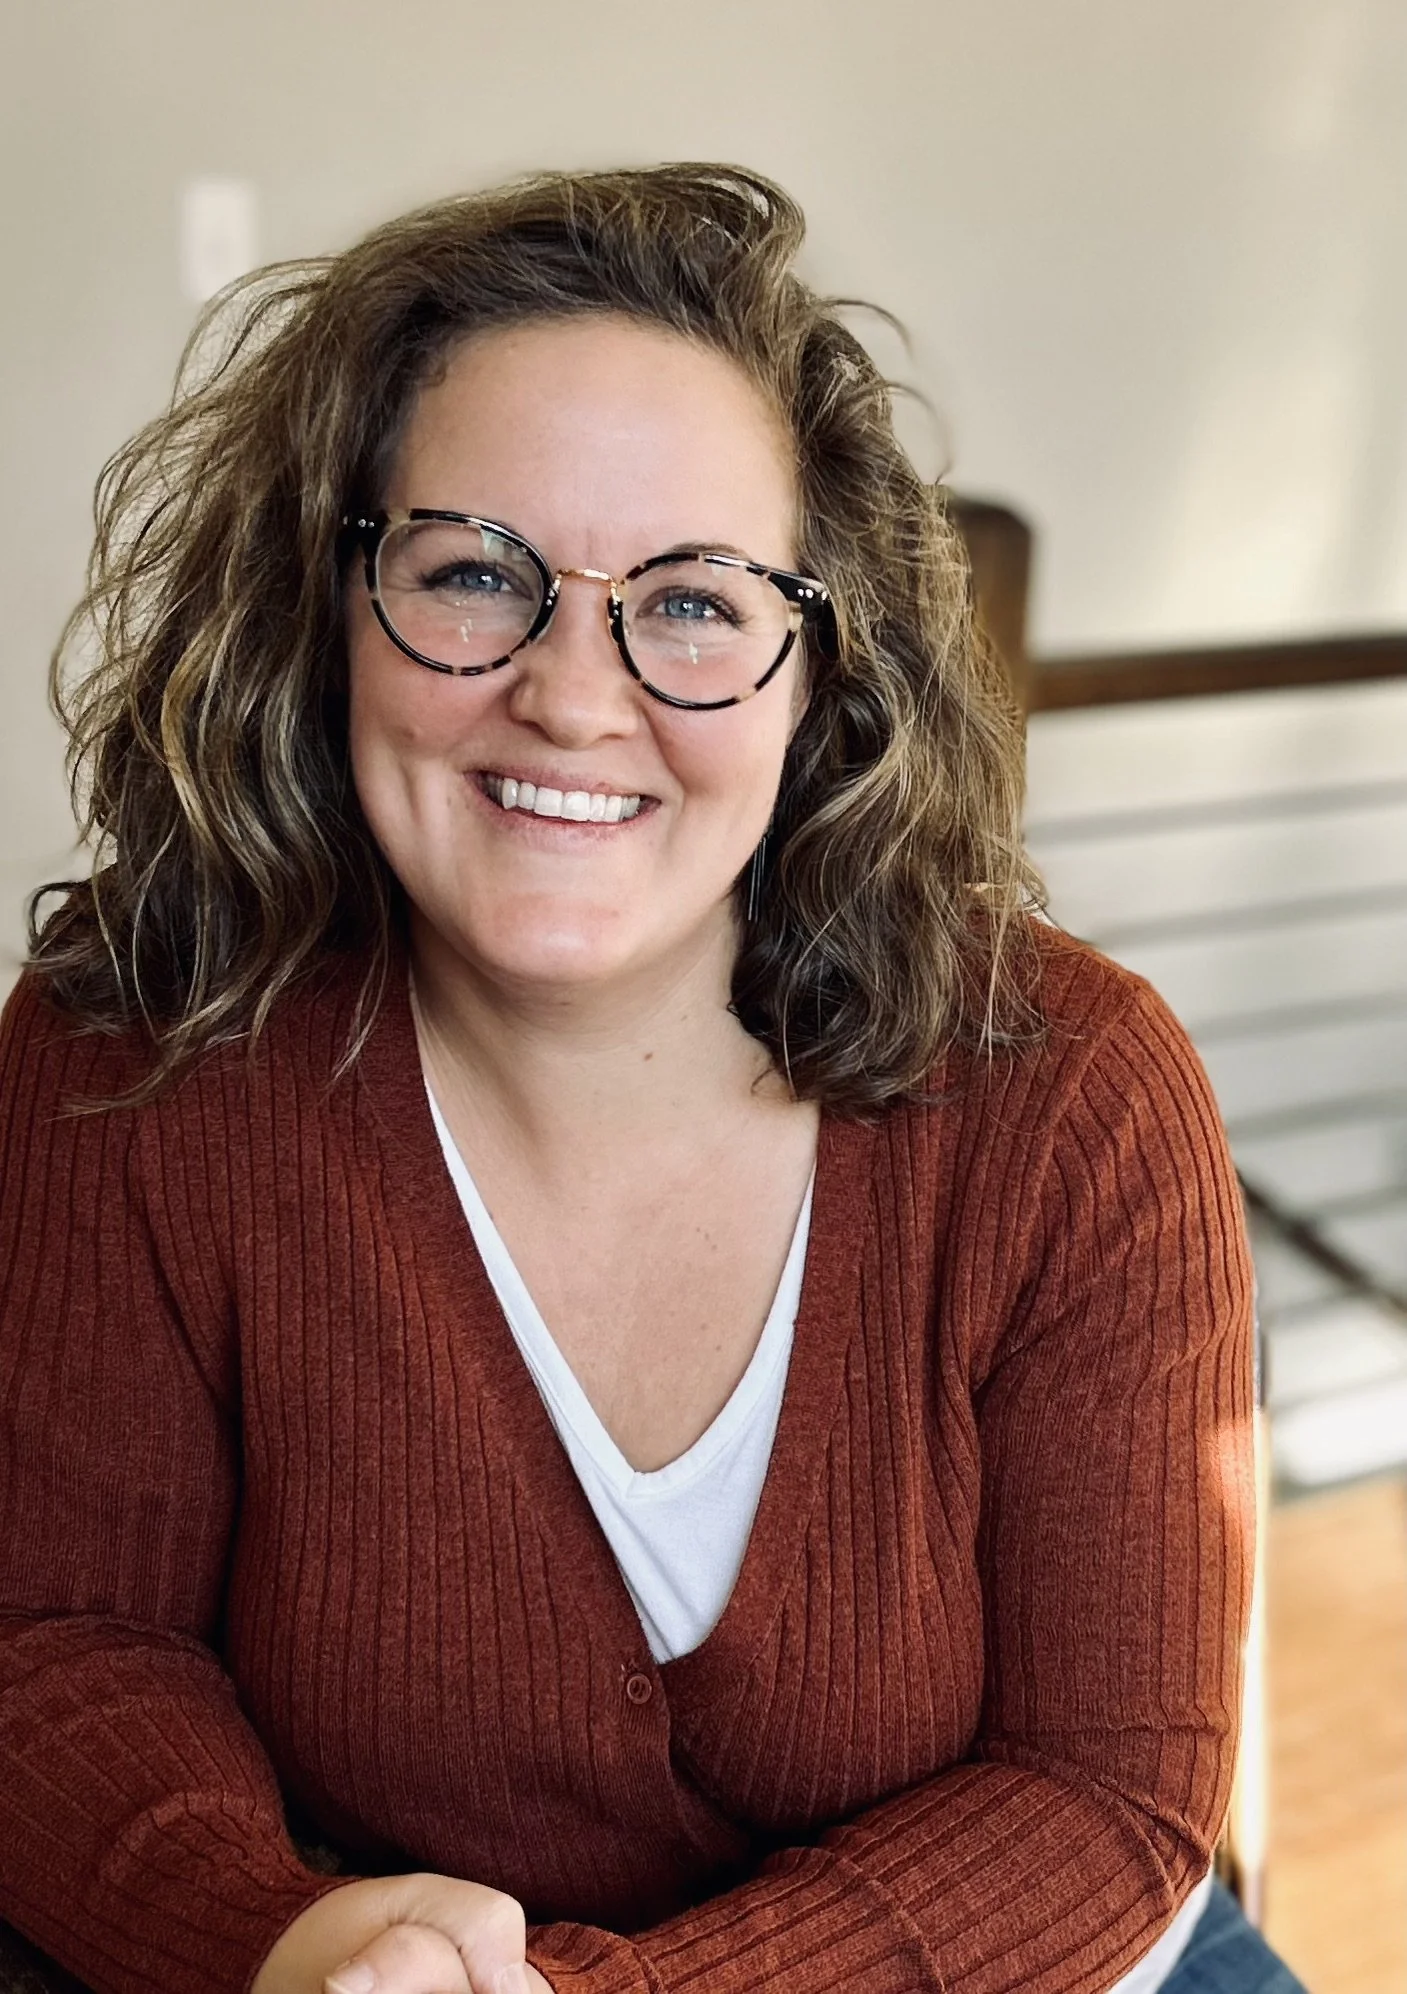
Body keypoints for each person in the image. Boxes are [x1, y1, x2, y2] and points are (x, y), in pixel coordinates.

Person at [0, 165, 1304, 1994]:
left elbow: (1104, 1794)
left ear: (816, 673)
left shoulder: (1074, 1093)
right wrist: (278, 1939)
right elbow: (58, 1636)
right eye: (472, 572)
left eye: (690, 601)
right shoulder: (133, 1048)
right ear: (331, 606)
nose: (574, 693)